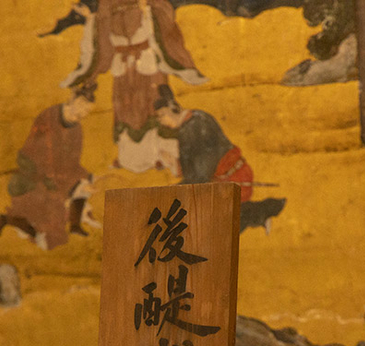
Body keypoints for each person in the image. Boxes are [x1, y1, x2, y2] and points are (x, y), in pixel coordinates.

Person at [61, 0, 206, 174]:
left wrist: (148, 11)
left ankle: (162, 156)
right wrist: (91, 18)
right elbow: (104, 34)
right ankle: (129, 158)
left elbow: (164, 12)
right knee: (125, 108)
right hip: (122, 66)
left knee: (154, 104)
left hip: (147, 61)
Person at [152, 85, 285, 232]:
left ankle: (262, 211)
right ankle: (261, 213)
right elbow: (198, 167)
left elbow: (200, 174)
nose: (161, 121)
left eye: (162, 115)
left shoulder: (194, 126)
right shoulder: (195, 118)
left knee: (218, 227)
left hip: (233, 179)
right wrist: (174, 163)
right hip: (227, 177)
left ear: (174, 109)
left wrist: (171, 192)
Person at [0, 83, 97, 251]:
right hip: (36, 170)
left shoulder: (77, 128)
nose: (85, 115)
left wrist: (82, 179)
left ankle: (74, 225)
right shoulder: (49, 118)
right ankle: (9, 220)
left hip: (58, 172)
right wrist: (64, 189)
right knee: (50, 214)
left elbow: (73, 160)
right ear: (78, 102)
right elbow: (44, 159)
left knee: (85, 180)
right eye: (85, 110)